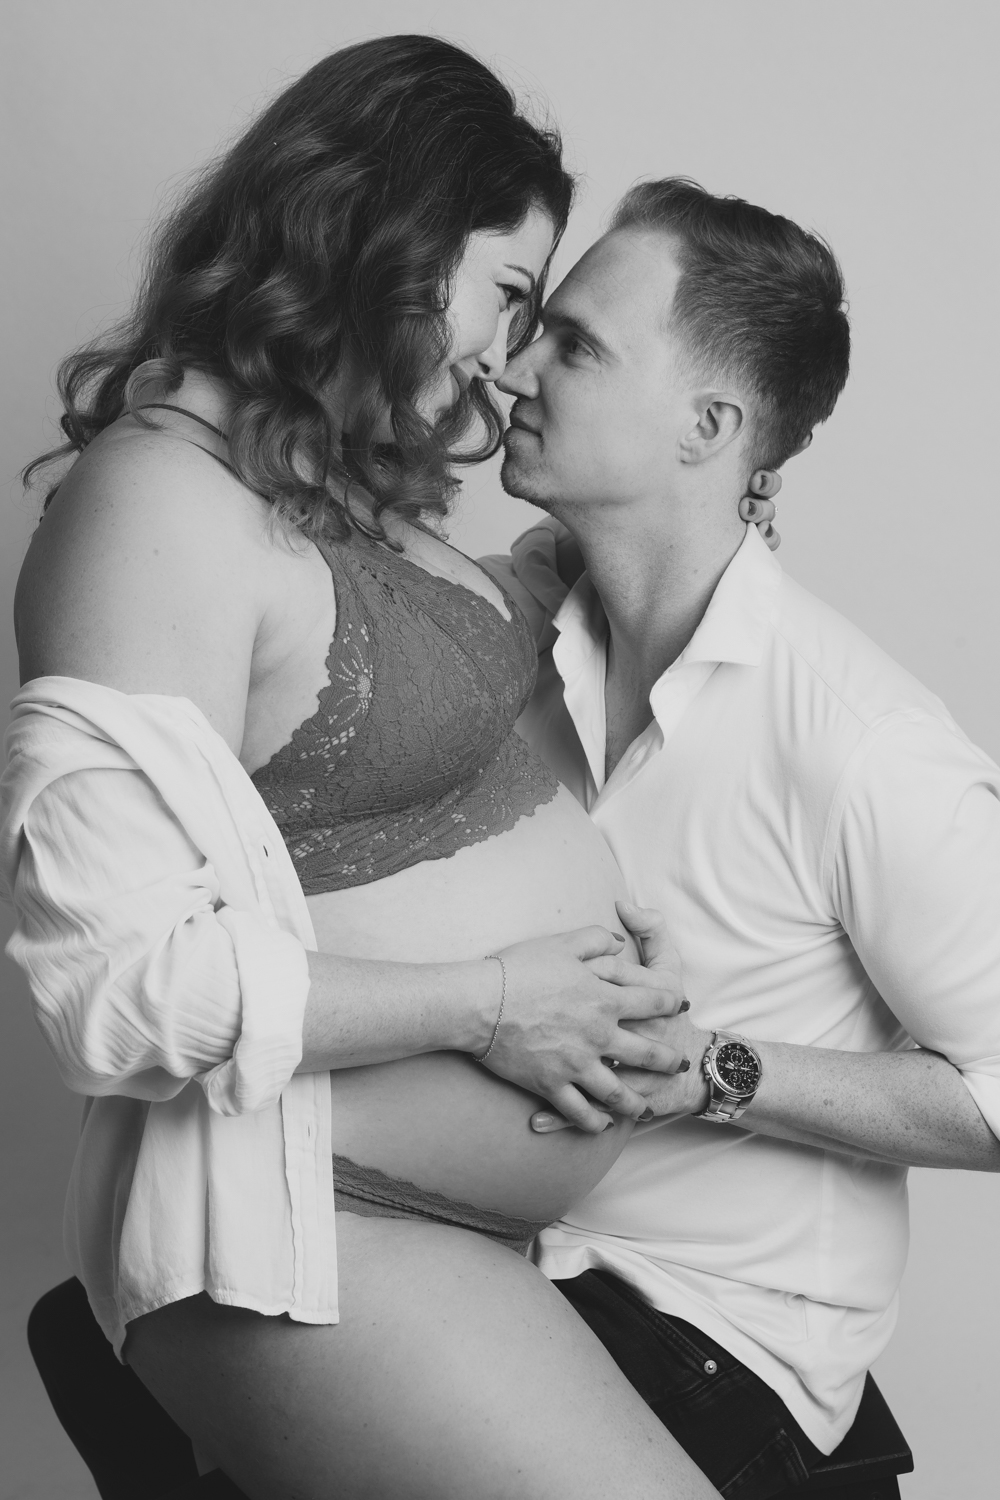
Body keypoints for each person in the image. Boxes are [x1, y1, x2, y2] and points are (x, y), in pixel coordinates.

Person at [2, 37, 788, 1500]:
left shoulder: (346, 489)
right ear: (391, 239)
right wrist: (495, 1001)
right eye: (509, 296)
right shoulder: (154, 503)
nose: (511, 357)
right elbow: (117, 990)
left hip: (470, 1229)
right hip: (314, 1223)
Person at [484, 177, 1000, 1499]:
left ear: (708, 427)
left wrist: (714, 1071)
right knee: (117, 1332)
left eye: (575, 346)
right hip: (521, 1279)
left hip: (715, 1349)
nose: (515, 367)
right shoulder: (510, 640)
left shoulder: (862, 742)